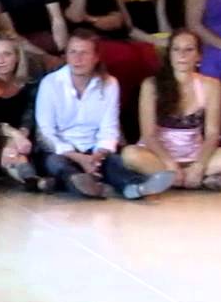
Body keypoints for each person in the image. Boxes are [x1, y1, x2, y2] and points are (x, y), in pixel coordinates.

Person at [34, 30, 174, 199]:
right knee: (57, 164)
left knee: (114, 163)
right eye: (73, 52)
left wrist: (99, 154)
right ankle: (81, 184)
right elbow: (47, 132)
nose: (77, 59)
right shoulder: (50, 83)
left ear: (96, 57)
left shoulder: (109, 84)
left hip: (93, 149)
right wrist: (78, 157)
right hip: (62, 150)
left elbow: (109, 127)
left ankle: (136, 186)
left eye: (84, 53)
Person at [57, 0, 160, 139]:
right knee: (124, 57)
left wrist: (90, 18)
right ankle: (114, 121)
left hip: (111, 36)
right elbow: (74, 16)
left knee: (148, 55)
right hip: (83, 41)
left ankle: (142, 124)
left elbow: (117, 20)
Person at [122, 30, 221, 191]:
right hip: (159, 156)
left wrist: (199, 165)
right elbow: (148, 135)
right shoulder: (151, 85)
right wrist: (170, 164)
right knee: (130, 154)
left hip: (193, 155)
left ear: (199, 56)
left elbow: (213, 133)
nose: (182, 55)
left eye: (189, 49)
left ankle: (175, 178)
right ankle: (187, 178)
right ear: (169, 54)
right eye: (176, 49)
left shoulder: (212, 85)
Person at [0, 33, 51, 191]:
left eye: (7, 54)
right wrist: (14, 136)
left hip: (26, 139)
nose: (0, 60)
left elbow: (30, 116)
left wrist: (21, 135)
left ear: (17, 57)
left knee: (16, 149)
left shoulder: (29, 86)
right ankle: (32, 180)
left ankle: (31, 180)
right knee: (10, 148)